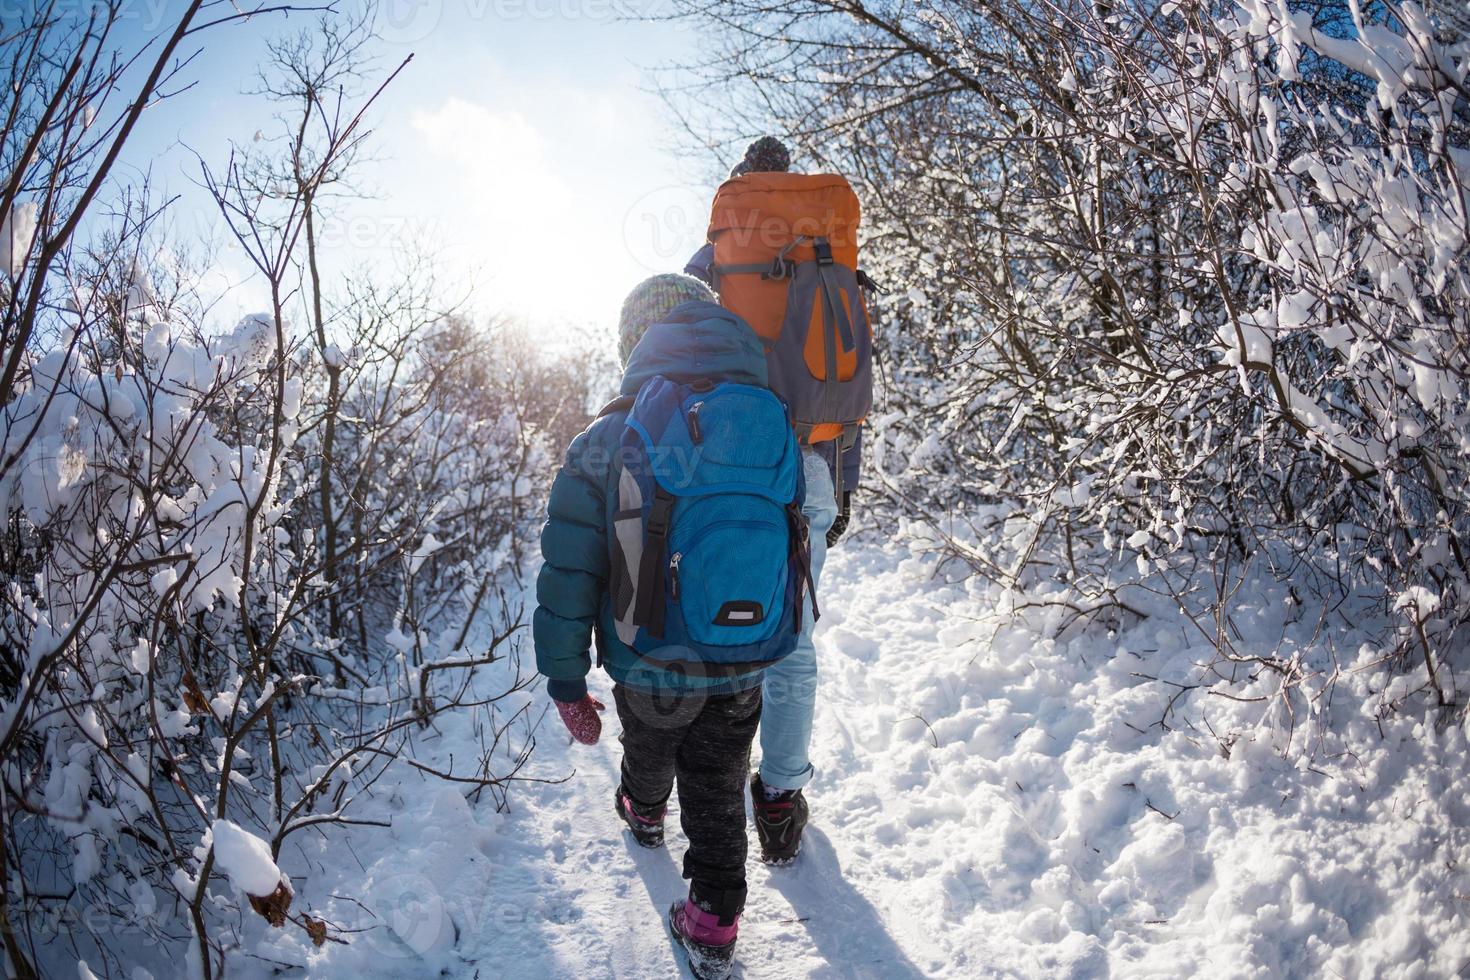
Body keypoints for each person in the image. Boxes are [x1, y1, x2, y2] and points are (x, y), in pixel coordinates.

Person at [534, 273, 789, 980]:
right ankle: (713, 922)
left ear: (633, 343)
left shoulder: (606, 436)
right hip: (745, 653)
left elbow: (570, 570)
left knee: (651, 750)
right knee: (718, 782)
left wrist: (565, 677)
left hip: (650, 659)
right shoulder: (768, 415)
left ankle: (643, 811)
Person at [685, 137, 862, 864]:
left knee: (707, 624)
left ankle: (703, 793)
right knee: (793, 645)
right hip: (814, 462)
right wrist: (842, 487)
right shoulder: (830, 255)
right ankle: (781, 797)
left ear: (740, 186)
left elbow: (678, 358)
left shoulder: (714, 259)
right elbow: (843, 385)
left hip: (728, 461)